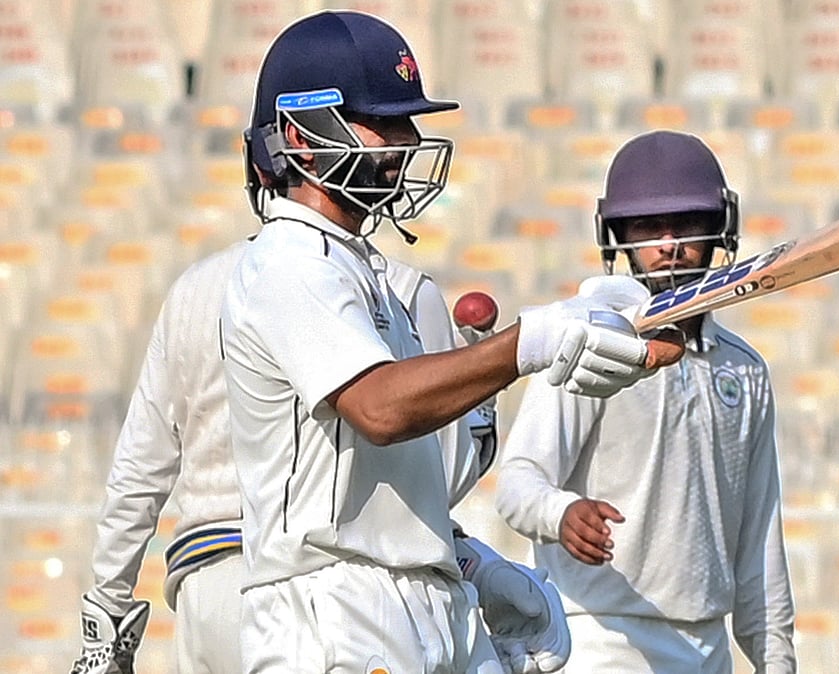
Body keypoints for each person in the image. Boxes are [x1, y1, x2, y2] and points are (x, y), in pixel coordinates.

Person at [220, 10, 678, 674]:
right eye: (384, 122)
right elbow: (380, 410)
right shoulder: (288, 264)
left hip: (418, 598)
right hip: (329, 610)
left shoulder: (368, 273)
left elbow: (396, 478)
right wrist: (529, 343)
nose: (407, 143)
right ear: (302, 133)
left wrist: (466, 562)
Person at [71, 242, 568, 673]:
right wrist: (480, 411)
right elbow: (437, 483)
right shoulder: (401, 289)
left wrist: (108, 609)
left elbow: (139, 468)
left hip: (207, 592)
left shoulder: (195, 287)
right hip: (326, 591)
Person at [495, 130, 797, 673]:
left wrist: (777, 662)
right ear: (617, 236)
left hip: (706, 644)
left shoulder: (744, 369)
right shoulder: (591, 341)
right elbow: (518, 483)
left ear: (719, 228)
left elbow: (760, 542)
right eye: (647, 226)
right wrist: (561, 512)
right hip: (596, 637)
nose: (669, 243)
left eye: (687, 223)